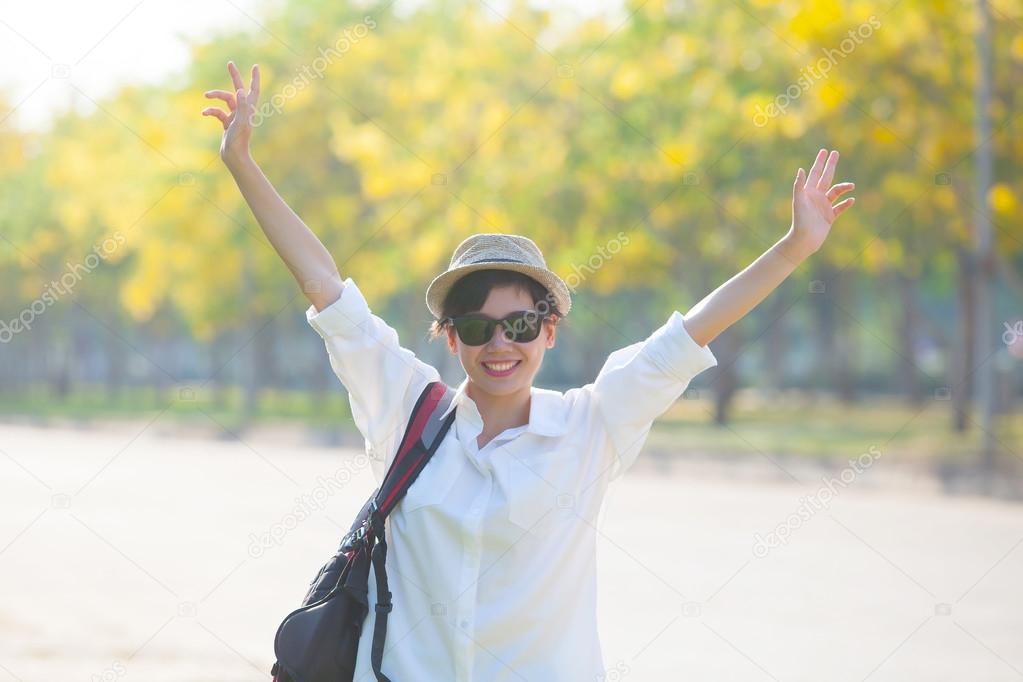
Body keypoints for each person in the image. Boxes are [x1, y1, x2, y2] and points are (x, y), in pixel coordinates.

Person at [203, 61, 855, 681]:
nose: (499, 345)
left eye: (517, 325)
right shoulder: (405, 410)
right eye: (476, 327)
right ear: (449, 337)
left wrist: (794, 246)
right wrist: (242, 163)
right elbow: (326, 288)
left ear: (547, 329)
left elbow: (691, 331)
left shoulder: (592, 425)